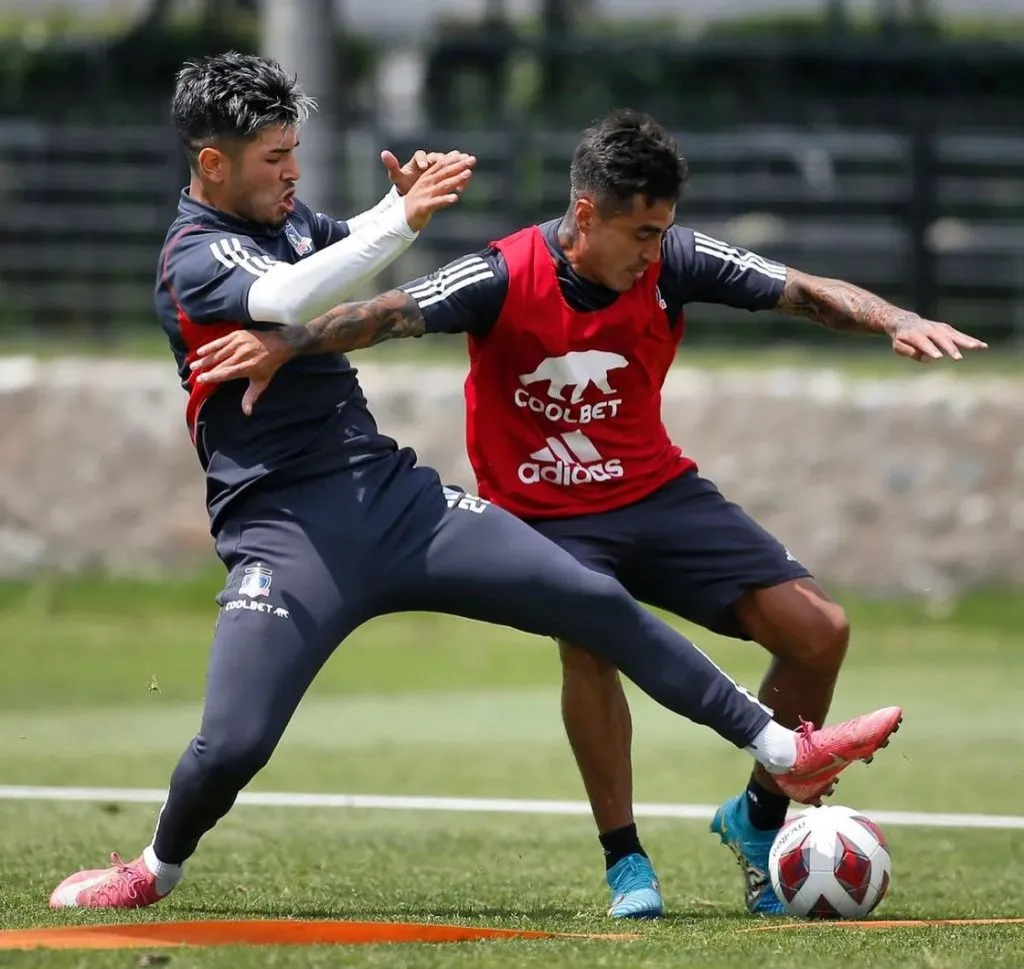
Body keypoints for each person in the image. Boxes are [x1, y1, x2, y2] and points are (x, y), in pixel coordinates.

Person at [51, 59, 904, 914]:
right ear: (212, 165)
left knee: (591, 599)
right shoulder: (194, 255)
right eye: (276, 156)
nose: (293, 171)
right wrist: (401, 221)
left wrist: (392, 209)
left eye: (295, 151)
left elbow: (336, 251)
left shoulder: (281, 219)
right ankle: (152, 870)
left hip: (393, 499)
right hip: (284, 533)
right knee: (232, 742)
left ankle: (785, 753)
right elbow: (282, 297)